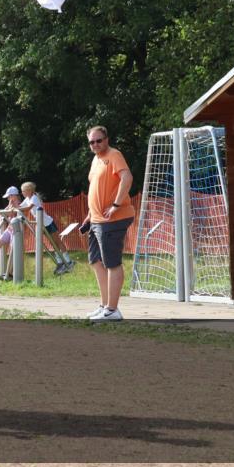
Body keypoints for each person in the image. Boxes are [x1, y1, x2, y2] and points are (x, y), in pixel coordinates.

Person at [81, 126, 134, 321]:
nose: (95, 144)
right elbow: (97, 189)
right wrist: (89, 215)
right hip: (96, 220)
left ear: (106, 139)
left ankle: (113, 310)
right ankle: (104, 306)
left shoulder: (114, 155)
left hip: (113, 219)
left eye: (99, 140)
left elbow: (127, 178)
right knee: (96, 261)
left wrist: (115, 205)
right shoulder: (95, 160)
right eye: (92, 142)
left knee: (112, 263)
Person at [17, 181, 74, 275]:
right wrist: (13, 206)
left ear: (29, 190)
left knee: (57, 242)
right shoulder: (27, 198)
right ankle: (60, 262)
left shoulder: (34, 198)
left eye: (23, 191)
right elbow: (20, 206)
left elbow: (27, 208)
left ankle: (68, 261)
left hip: (48, 223)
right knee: (53, 244)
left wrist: (16, 208)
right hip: (42, 225)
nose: (22, 193)